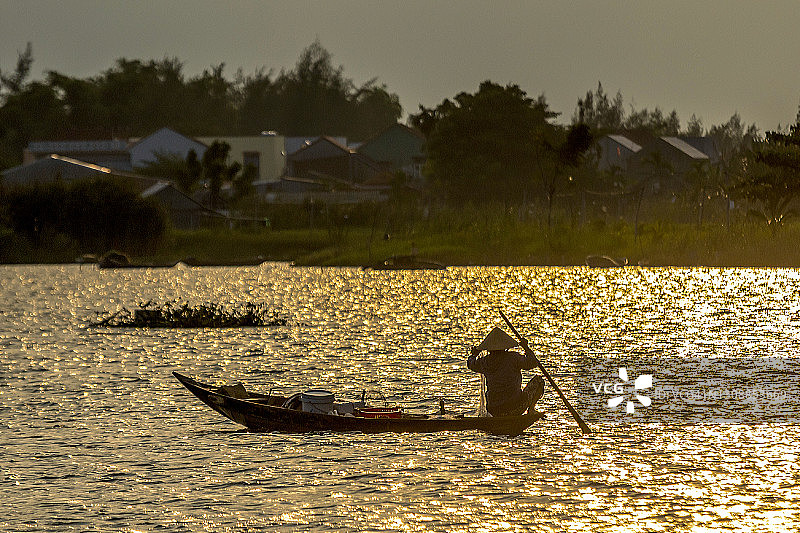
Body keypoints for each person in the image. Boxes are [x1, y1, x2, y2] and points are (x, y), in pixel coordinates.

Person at [468, 327, 545, 417]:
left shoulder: (485, 361)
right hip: (515, 407)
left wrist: (474, 354)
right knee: (539, 380)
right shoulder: (513, 358)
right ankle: (531, 409)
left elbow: (471, 364)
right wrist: (526, 348)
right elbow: (532, 362)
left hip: (494, 410)